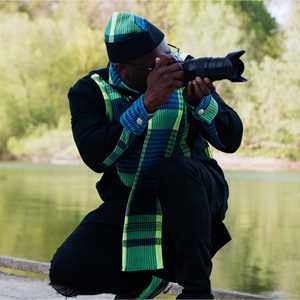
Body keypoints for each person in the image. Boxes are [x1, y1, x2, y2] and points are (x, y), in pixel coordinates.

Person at [48, 11, 243, 299]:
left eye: (167, 52)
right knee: (66, 273)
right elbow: (97, 158)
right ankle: (146, 280)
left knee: (174, 171)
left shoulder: (184, 70)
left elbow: (232, 140)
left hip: (196, 194)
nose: (168, 63)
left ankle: (197, 291)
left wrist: (203, 104)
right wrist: (147, 103)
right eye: (155, 63)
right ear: (122, 68)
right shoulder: (90, 91)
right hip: (133, 199)